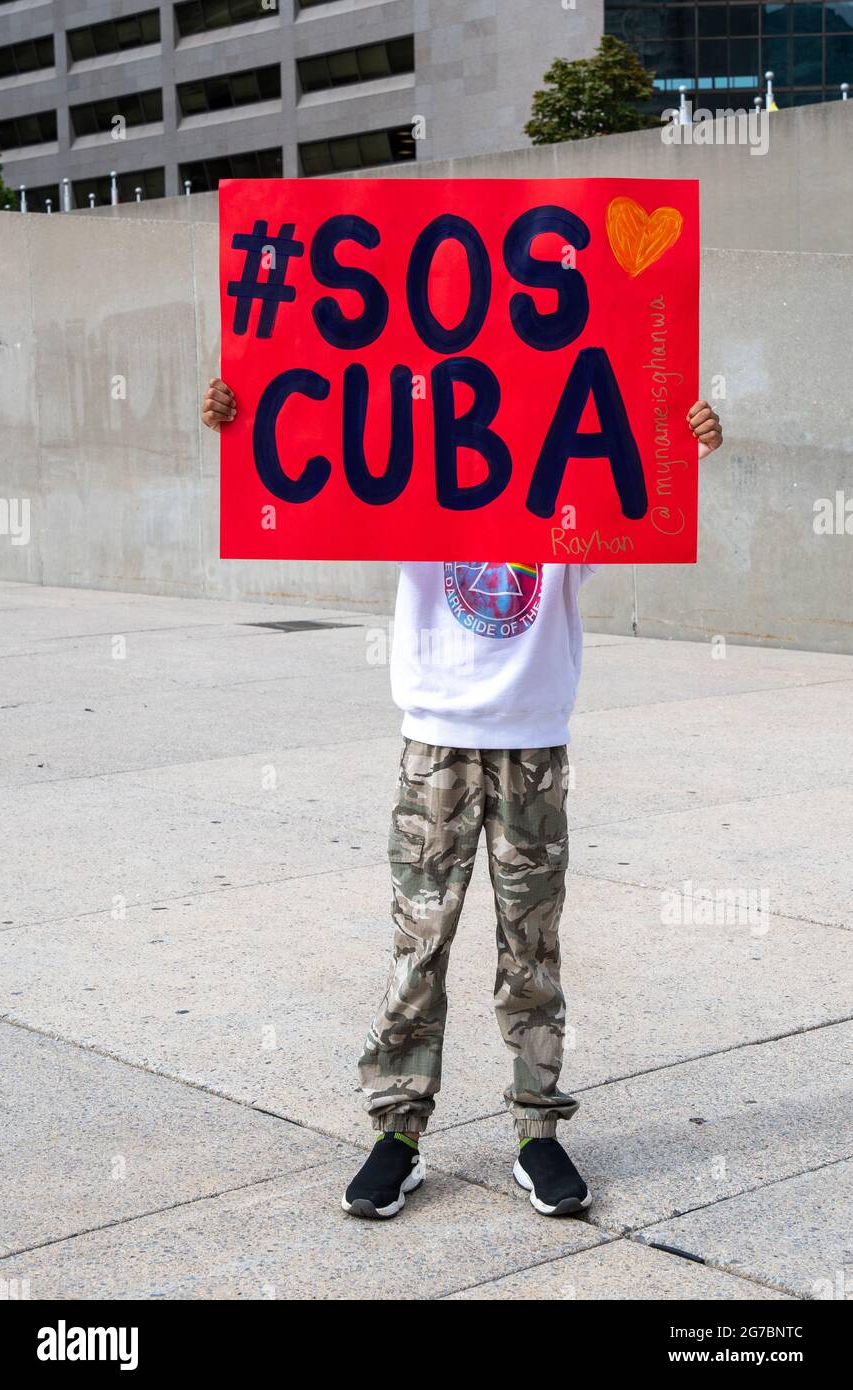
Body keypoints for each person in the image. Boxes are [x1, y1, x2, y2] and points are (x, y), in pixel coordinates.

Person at [202, 378, 723, 1219]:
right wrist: (243, 419)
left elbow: (645, 487)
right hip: (436, 742)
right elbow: (320, 471)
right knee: (420, 944)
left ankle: (539, 1133)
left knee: (532, 947)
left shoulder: (569, 492)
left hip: (533, 745)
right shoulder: (417, 483)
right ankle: (398, 1132)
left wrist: (686, 437)